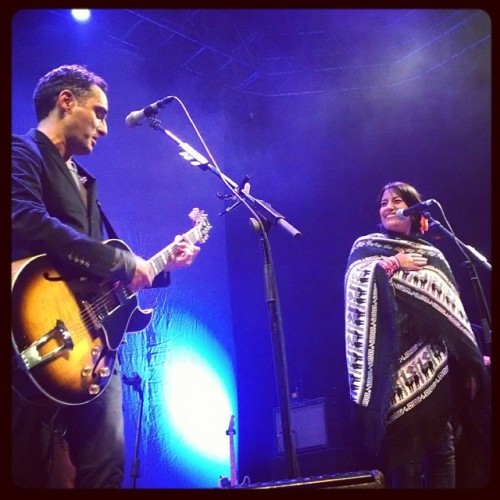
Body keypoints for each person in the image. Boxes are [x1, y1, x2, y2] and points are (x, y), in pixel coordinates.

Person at [11, 64, 201, 488]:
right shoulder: (20, 152)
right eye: (99, 113)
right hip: (33, 329)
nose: (105, 127)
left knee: (104, 471)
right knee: (24, 469)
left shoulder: (84, 180)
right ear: (66, 101)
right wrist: (120, 263)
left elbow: (100, 269)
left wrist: (160, 267)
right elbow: (23, 219)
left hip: (90, 348)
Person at [344, 181, 490, 488]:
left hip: (436, 365)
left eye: (397, 201)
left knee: (442, 450)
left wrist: (469, 362)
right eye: (383, 202)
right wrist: (396, 263)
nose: (388, 207)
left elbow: (453, 314)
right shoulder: (367, 247)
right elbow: (357, 286)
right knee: (406, 457)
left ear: (414, 211)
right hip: (396, 367)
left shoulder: (433, 255)